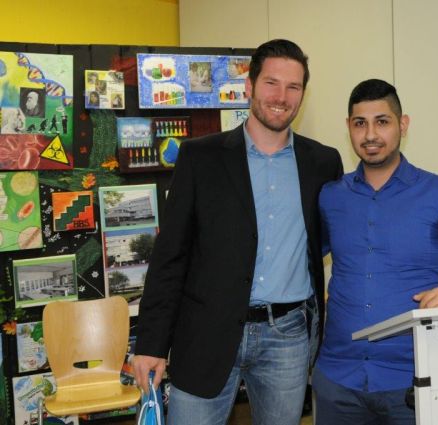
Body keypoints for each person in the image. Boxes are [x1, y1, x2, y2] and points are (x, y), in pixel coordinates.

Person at [132, 39, 343, 425]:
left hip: (287, 337)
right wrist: (150, 344)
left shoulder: (324, 163)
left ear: (303, 94)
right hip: (206, 332)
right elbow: (169, 257)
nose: (281, 97)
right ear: (249, 86)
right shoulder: (199, 157)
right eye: (271, 83)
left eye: (293, 87)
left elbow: (327, 242)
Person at [313, 79, 438, 425]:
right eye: (360, 123)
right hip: (338, 380)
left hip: (414, 381)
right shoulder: (331, 196)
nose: (370, 134)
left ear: (403, 124)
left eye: (382, 121)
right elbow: (303, 256)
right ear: (348, 127)